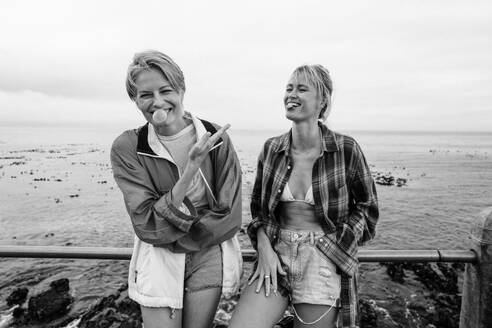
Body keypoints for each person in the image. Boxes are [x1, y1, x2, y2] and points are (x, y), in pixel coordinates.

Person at [229, 65, 378, 328]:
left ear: (322, 101)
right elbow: (258, 212)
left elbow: (368, 209)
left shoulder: (346, 149)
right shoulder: (271, 149)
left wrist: (335, 244)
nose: (291, 94)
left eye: (301, 88)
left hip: (322, 258)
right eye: (288, 88)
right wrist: (264, 247)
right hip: (276, 255)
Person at [110, 50, 243, 328]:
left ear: (181, 89)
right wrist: (191, 168)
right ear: (135, 99)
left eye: (165, 90)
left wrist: (173, 236)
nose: (157, 102)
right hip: (158, 259)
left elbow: (229, 214)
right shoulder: (127, 147)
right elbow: (146, 223)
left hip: (208, 254)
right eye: (145, 95)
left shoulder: (215, 137)